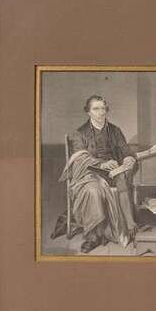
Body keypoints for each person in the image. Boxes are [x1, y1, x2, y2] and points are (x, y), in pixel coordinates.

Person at [51, 95, 139, 253]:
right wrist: (101, 164)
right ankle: (93, 237)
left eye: (103, 108)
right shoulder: (79, 133)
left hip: (112, 173)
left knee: (122, 180)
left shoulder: (115, 130)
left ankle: (129, 225)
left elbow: (125, 149)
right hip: (88, 174)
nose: (100, 112)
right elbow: (80, 159)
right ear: (88, 112)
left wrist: (128, 157)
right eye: (96, 109)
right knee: (93, 190)